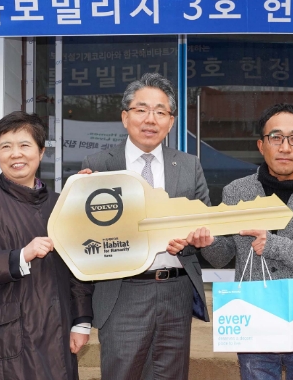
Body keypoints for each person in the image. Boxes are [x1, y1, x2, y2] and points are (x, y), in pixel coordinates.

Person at [192, 103, 293, 380]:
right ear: (261, 145)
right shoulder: (237, 191)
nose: (285, 147)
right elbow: (221, 256)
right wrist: (207, 242)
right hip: (254, 327)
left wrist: (274, 245)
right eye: (276, 138)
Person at [79, 73, 210, 380]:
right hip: (123, 291)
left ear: (171, 122)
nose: (151, 119)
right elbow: (84, 235)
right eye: (141, 109)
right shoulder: (98, 165)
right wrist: (78, 200)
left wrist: (193, 239)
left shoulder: (189, 165)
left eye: (160, 112)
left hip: (175, 291)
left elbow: (204, 222)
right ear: (125, 117)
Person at [0, 111, 93, 380]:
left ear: (41, 152)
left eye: (24, 145)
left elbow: (79, 267)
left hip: (56, 329)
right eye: (5, 146)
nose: (15, 154)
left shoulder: (61, 204)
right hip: (5, 337)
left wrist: (81, 321)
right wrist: (20, 256)